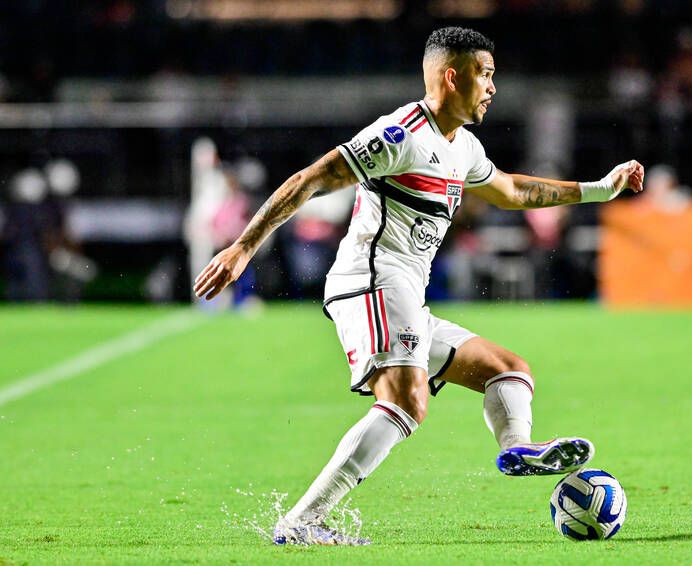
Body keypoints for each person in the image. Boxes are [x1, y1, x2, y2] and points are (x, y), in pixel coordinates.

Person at [193, 27, 644, 546]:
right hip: (371, 280)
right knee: (407, 400)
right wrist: (243, 247)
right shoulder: (400, 135)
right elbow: (311, 178)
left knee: (509, 370)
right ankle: (301, 522)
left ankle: (517, 445)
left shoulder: (463, 147)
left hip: (406, 293)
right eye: (486, 73)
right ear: (452, 77)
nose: (493, 86)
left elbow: (513, 189)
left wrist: (599, 189)